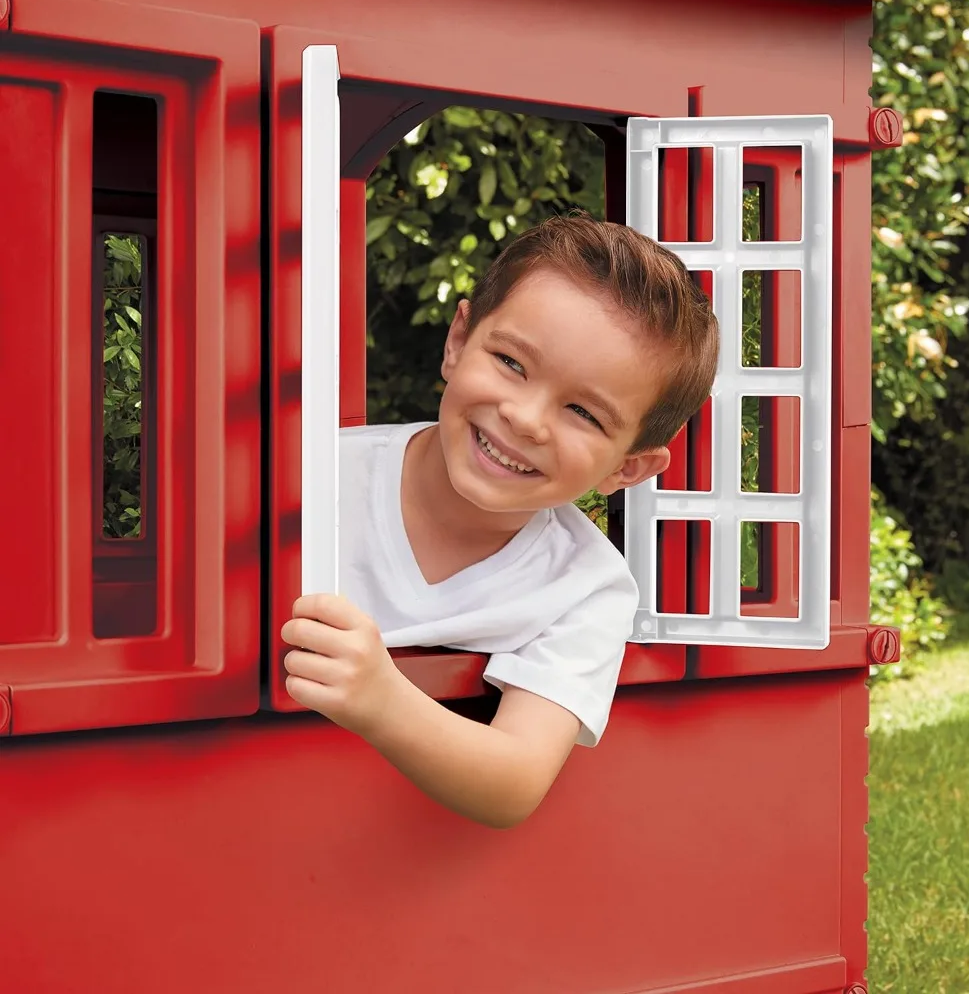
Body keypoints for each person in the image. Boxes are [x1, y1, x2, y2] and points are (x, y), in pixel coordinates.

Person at [281, 213, 719, 828]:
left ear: (630, 467)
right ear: (458, 340)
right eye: (512, 363)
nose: (527, 418)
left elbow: (515, 780)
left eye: (584, 413)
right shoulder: (304, 474)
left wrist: (380, 699)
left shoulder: (586, 585)